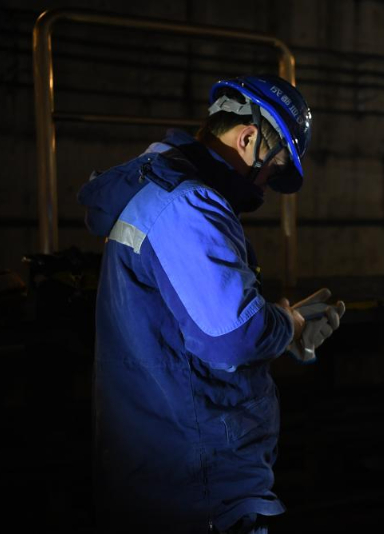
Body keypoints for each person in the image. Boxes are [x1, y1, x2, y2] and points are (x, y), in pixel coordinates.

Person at [78, 75, 345, 533]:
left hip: (163, 463)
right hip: (195, 483)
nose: (266, 185)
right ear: (247, 139)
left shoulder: (159, 191)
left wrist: (277, 322)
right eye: (273, 169)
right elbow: (233, 336)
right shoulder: (187, 204)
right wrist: (289, 325)